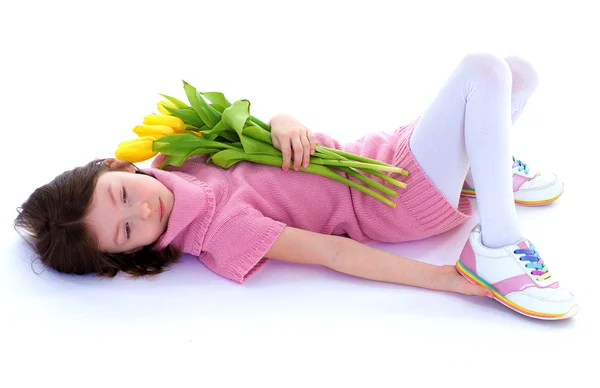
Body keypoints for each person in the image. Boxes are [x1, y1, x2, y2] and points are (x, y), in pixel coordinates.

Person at [14, 52, 577, 320]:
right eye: (128, 229)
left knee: (520, 71)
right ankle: (496, 247)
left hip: (376, 155)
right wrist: (443, 280)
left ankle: (479, 171)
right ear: (131, 252)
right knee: (483, 72)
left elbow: (270, 128)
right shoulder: (219, 231)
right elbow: (334, 252)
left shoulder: (181, 151)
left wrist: (285, 123)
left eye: (120, 194)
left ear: (115, 166)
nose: (142, 207)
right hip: (394, 199)